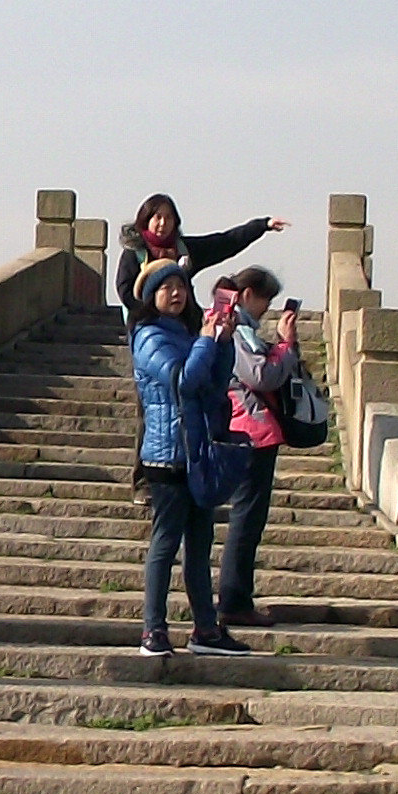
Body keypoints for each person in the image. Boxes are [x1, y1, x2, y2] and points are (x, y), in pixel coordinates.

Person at [130, 258, 248, 657]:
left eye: (181, 286)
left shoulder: (185, 332)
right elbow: (183, 380)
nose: (177, 294)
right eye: (167, 288)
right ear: (151, 297)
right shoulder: (148, 336)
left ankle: (206, 630)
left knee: (199, 546)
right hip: (165, 457)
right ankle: (153, 630)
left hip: (197, 452)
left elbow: (214, 385)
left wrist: (223, 342)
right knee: (165, 544)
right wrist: (203, 341)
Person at [215, 266, 303, 630]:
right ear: (249, 293)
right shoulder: (235, 328)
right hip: (251, 430)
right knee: (246, 519)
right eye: (265, 300)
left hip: (251, 429)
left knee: (249, 519)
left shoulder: (238, 326)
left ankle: (237, 598)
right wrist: (285, 345)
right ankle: (234, 601)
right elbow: (261, 375)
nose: (266, 309)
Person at [111, 195, 284, 324]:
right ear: (146, 220)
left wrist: (262, 225)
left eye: (168, 217)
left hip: (184, 324)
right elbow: (125, 290)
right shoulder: (134, 253)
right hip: (146, 323)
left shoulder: (184, 249)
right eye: (157, 217)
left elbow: (226, 242)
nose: (163, 223)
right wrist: (150, 313)